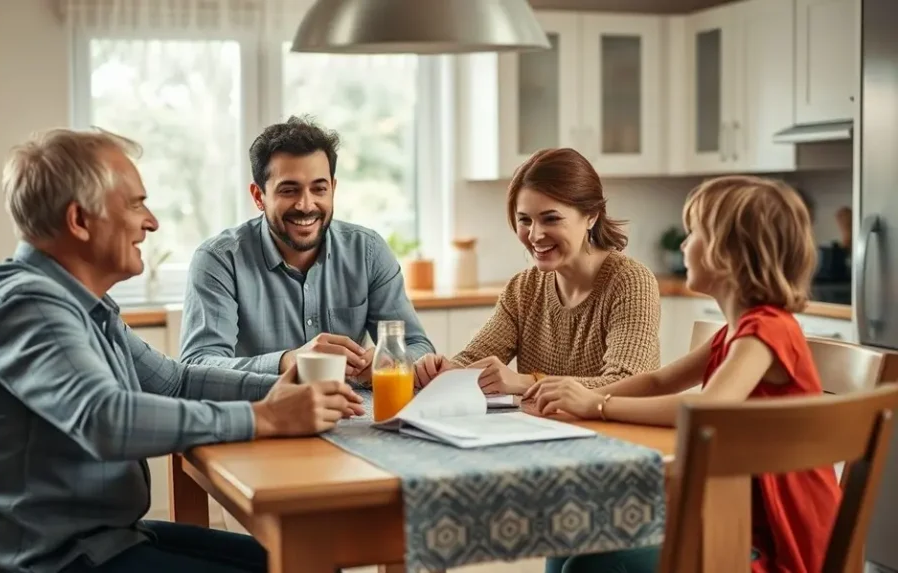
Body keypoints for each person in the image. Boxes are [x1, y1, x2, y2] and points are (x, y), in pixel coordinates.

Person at [0, 127, 364, 573]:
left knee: (309, 561)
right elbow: (105, 419)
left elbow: (174, 380)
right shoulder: (29, 305)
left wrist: (280, 389)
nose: (151, 221)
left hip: (98, 539)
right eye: (134, 204)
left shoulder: (78, 302)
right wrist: (265, 416)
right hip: (51, 560)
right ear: (79, 221)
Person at [525, 175, 841, 573]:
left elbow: (708, 406)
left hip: (777, 548)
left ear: (729, 254)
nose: (683, 244)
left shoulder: (767, 330)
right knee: (574, 535)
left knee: (589, 566)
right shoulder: (736, 332)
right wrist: (582, 403)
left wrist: (599, 404)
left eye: (694, 234)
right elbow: (659, 381)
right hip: (737, 521)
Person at [179, 115, 433, 381]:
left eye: (319, 189)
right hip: (260, 416)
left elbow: (419, 347)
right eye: (289, 191)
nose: (306, 205)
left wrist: (386, 360)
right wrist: (288, 361)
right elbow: (197, 367)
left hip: (351, 414)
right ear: (258, 196)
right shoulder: (219, 260)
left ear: (332, 189)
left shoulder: (368, 252)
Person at [413, 147, 661, 397]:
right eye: (525, 220)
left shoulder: (630, 281)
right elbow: (472, 361)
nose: (534, 235)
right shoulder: (523, 289)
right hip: (547, 431)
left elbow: (627, 383)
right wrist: (444, 371)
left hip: (618, 434)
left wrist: (525, 383)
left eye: (551, 219)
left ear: (591, 216)